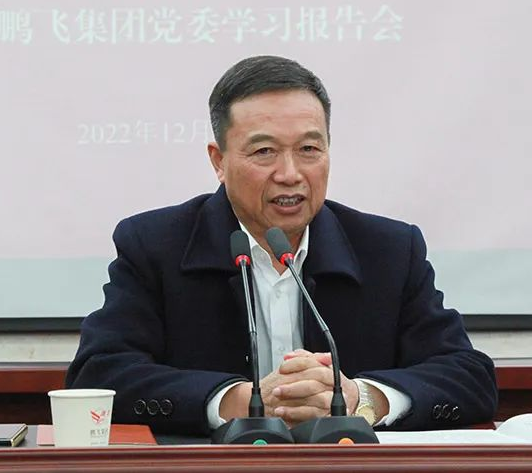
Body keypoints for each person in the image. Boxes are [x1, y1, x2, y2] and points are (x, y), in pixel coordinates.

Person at [66, 55, 497, 435]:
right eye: (264, 152)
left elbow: (468, 376)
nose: (290, 174)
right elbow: (99, 375)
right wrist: (238, 402)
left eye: (309, 149)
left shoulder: (389, 250)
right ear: (219, 161)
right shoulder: (156, 245)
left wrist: (360, 398)